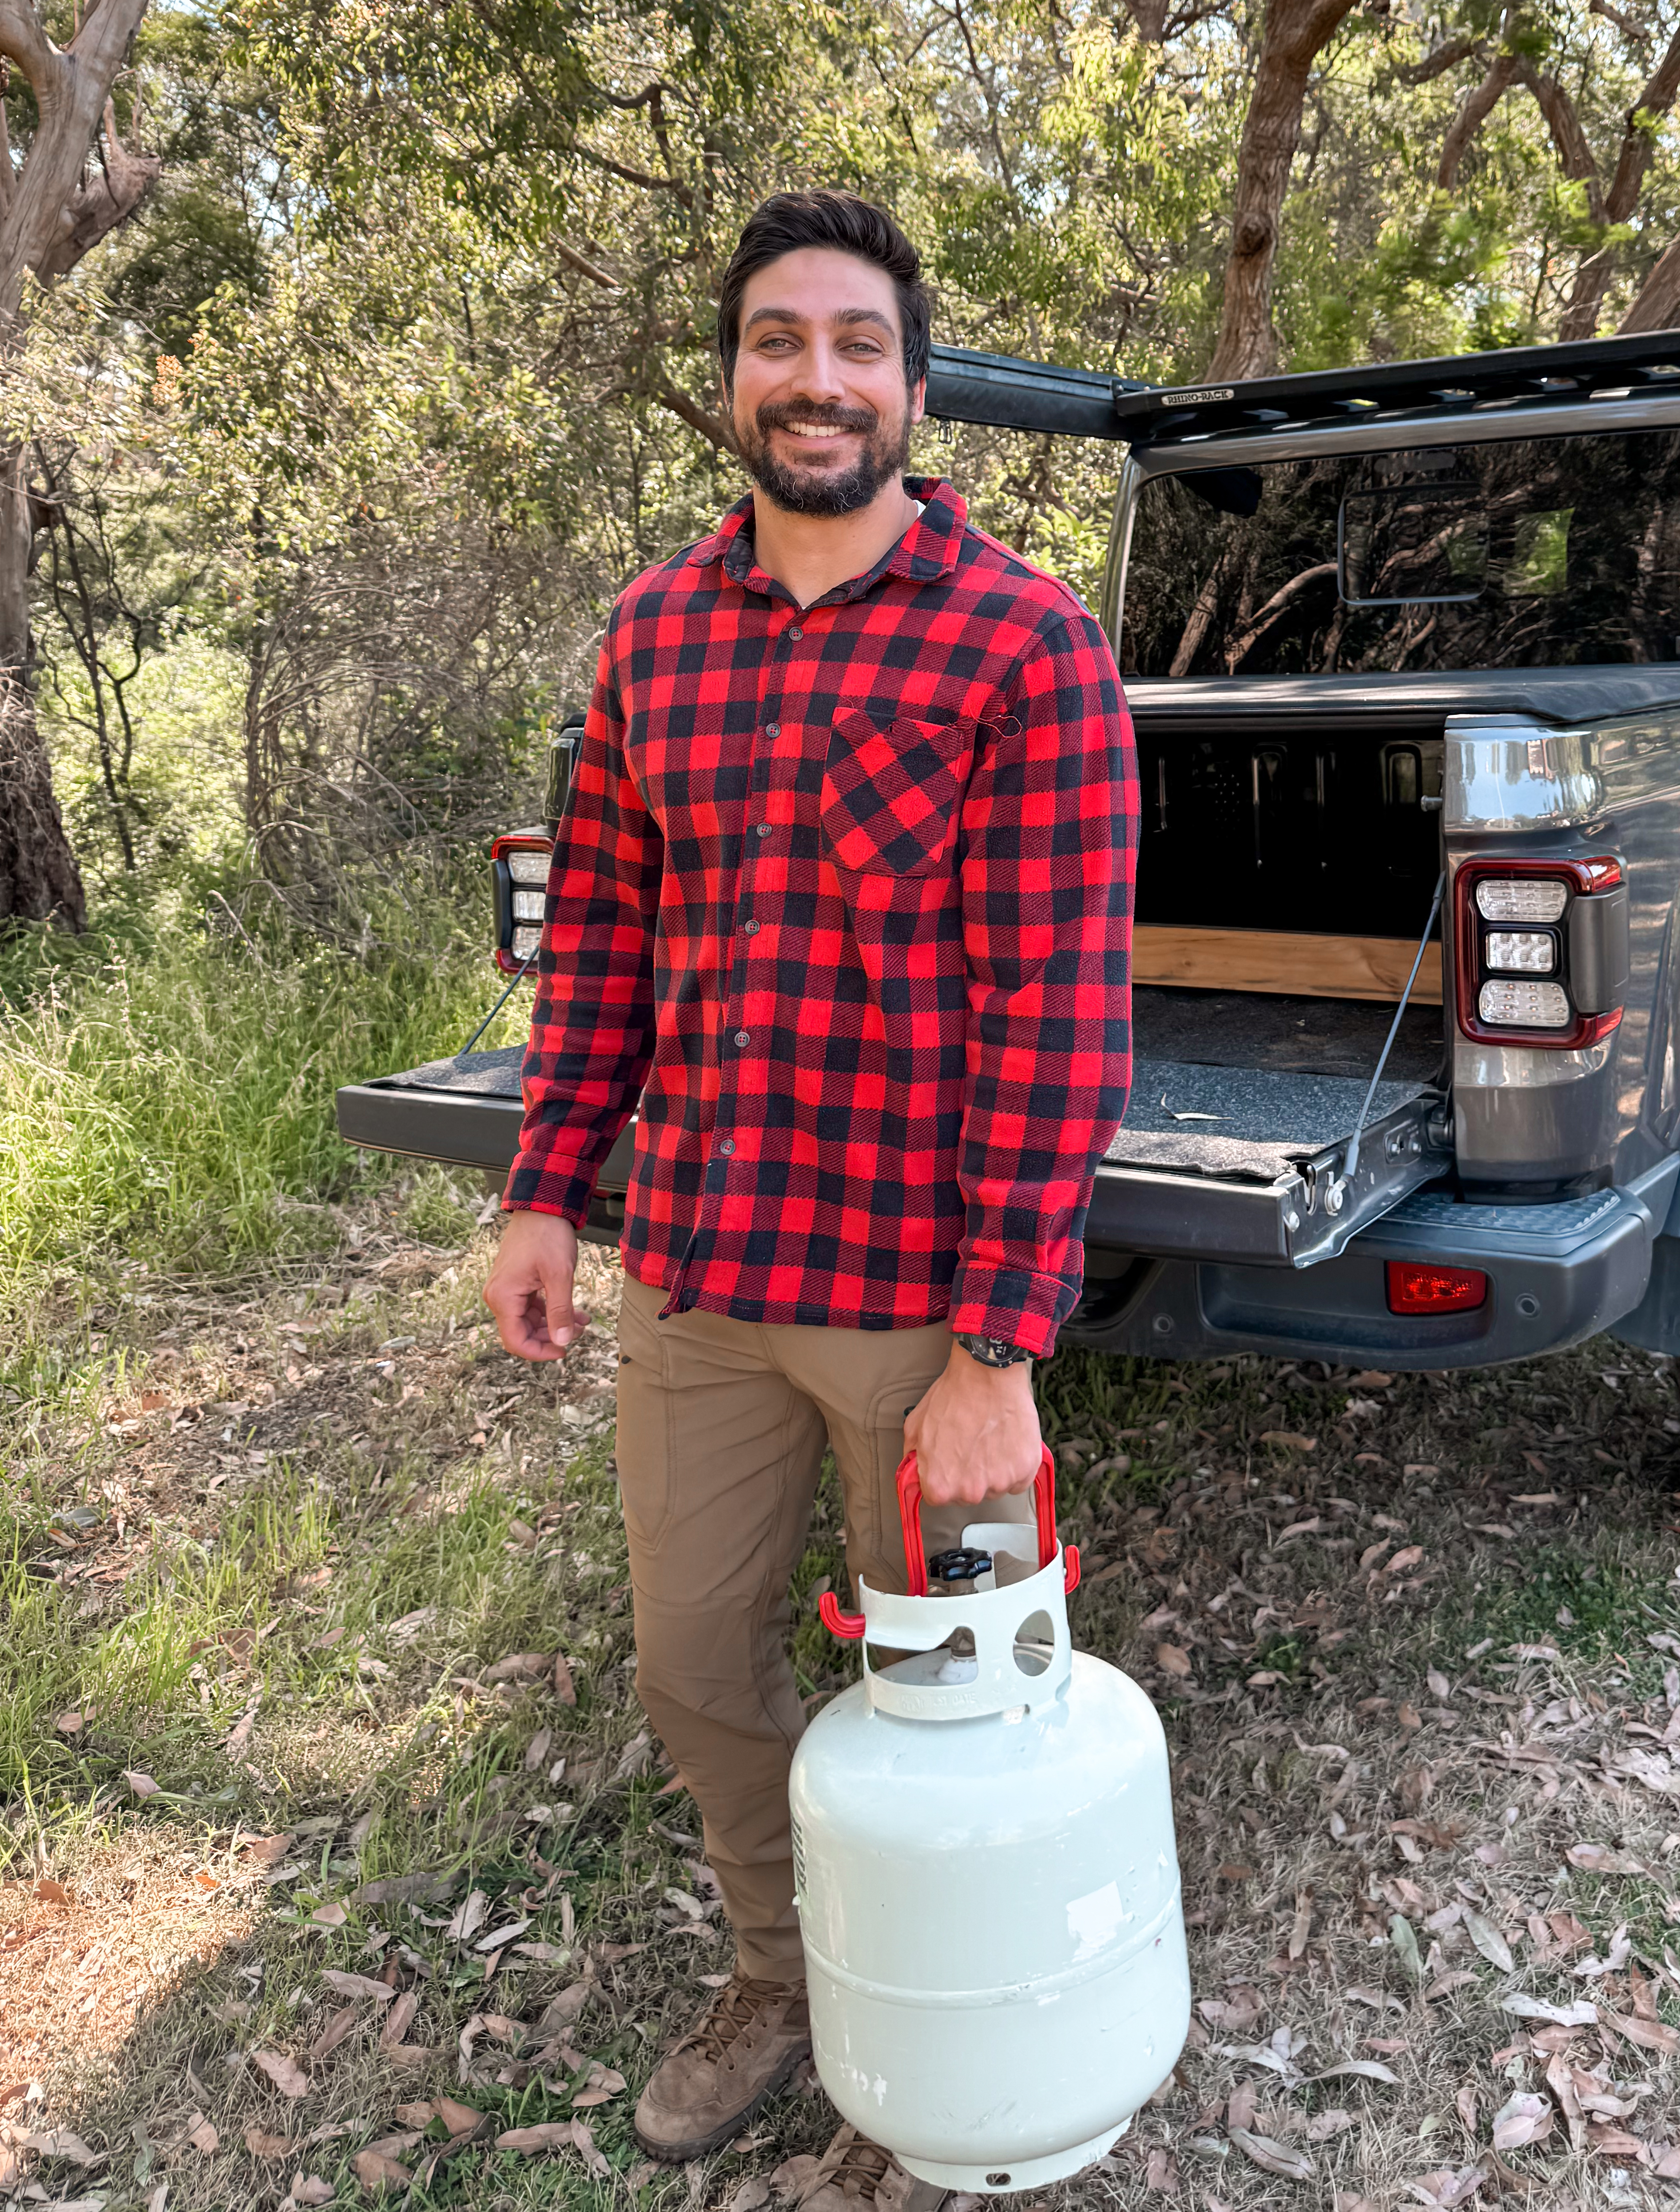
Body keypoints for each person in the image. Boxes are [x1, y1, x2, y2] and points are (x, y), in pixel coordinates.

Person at [483, 189, 1138, 2201]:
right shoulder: (655, 634)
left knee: (947, 1699)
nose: (819, 375)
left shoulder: (1024, 644)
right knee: (695, 1663)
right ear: (732, 381)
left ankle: (955, 2035)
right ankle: (792, 1974)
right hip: (695, 1271)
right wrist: (543, 1188)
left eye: (858, 342)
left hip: (912, 1303)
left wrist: (1001, 1344)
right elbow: (598, 933)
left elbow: (1058, 1009)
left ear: (916, 391)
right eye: (781, 339)